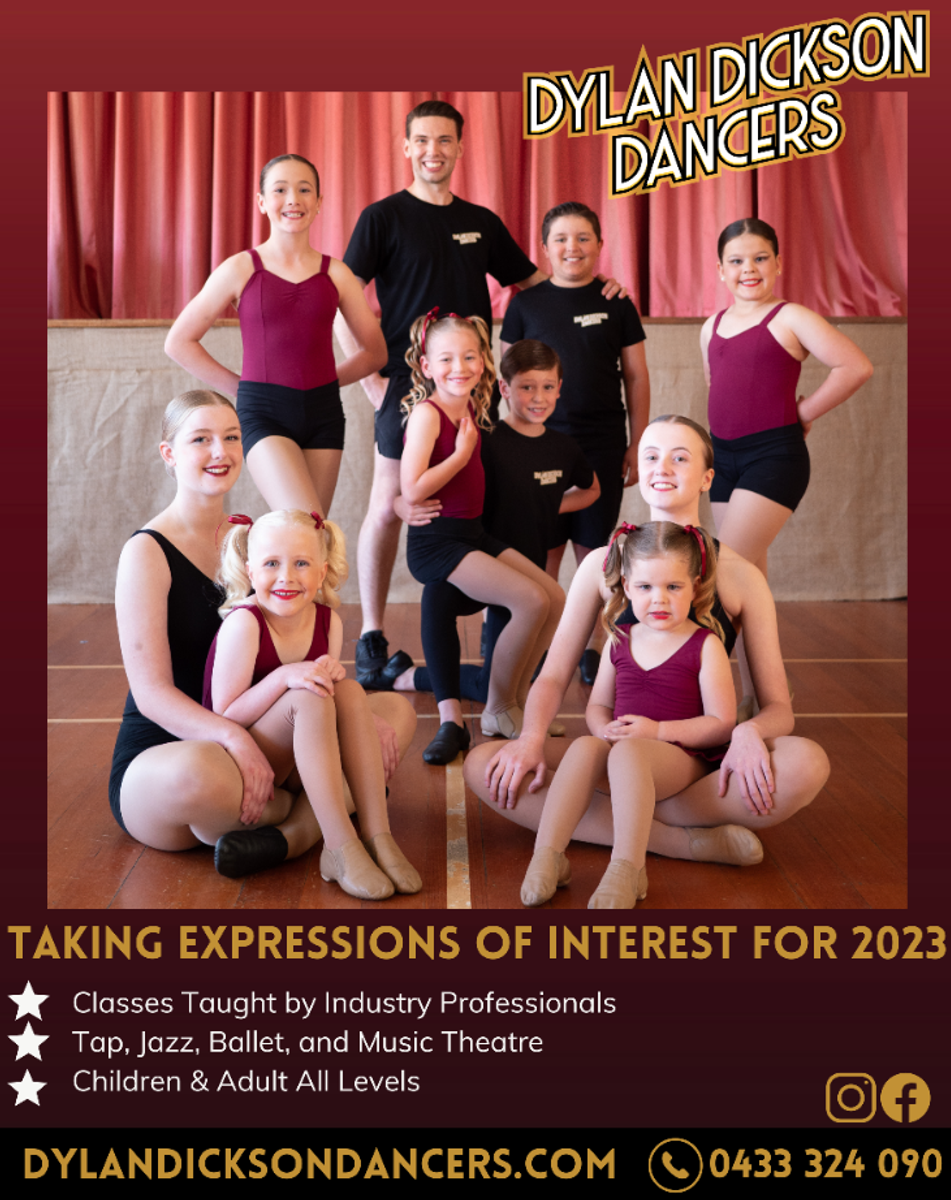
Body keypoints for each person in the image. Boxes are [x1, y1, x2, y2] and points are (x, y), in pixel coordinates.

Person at [464, 413, 831, 876]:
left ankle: (626, 818)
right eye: (651, 457)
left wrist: (747, 732)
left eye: (680, 458)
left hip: (696, 763)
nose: (663, 468)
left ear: (707, 478)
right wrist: (531, 740)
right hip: (619, 751)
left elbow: (778, 706)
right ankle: (676, 840)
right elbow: (553, 675)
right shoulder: (601, 564)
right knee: (484, 764)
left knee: (807, 763)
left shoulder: (741, 575)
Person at [338, 103, 624, 690]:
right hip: (406, 386)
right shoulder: (382, 217)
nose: (433, 150)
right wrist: (370, 376)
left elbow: (537, 284)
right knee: (390, 502)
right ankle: (371, 636)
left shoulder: (481, 222)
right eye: (422, 140)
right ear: (406, 147)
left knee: (486, 496)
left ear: (460, 148)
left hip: (474, 386)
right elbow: (343, 296)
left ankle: (498, 626)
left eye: (444, 140)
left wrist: (595, 287)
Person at [109, 389, 416, 880]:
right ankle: (318, 812)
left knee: (394, 713)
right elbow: (151, 695)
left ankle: (293, 831)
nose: (220, 451)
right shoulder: (146, 551)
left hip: (272, 733)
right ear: (169, 453)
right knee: (197, 774)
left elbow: (304, 644)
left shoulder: (260, 538)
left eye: (232, 437)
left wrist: (354, 717)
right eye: (201, 439)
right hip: (178, 749)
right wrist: (233, 739)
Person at [204, 510, 421, 900]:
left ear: (321, 573)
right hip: (248, 757)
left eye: (301, 564)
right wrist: (283, 677)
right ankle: (338, 844)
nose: (286, 577)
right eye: (272, 564)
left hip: (304, 757)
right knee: (308, 696)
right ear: (251, 571)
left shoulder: (328, 621)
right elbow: (224, 715)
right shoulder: (244, 623)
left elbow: (331, 702)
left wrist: (335, 682)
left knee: (349, 691)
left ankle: (378, 836)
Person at [520, 522, 735, 910]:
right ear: (626, 587)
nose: (659, 599)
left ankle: (628, 867)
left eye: (673, 587)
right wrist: (604, 729)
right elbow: (598, 706)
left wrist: (657, 731)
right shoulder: (619, 640)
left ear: (695, 587)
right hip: (623, 751)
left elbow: (721, 723)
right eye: (645, 587)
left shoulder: (705, 645)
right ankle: (548, 855)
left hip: (680, 757)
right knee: (586, 747)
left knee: (630, 753)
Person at [701, 217, 873, 698]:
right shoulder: (711, 327)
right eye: (737, 261)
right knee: (749, 585)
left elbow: (855, 366)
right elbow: (719, 388)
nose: (749, 269)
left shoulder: (790, 317)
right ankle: (758, 697)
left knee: (723, 574)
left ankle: (695, 690)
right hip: (725, 461)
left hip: (774, 457)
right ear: (720, 269)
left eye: (760, 258)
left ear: (778, 263)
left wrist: (803, 412)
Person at [165, 153, 385, 518]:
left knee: (314, 536)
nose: (293, 199)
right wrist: (241, 387)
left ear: (319, 202)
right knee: (301, 522)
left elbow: (375, 353)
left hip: (325, 414)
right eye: (280, 190)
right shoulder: (239, 268)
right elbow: (178, 342)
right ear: (262, 202)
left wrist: (326, 382)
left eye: (304, 190)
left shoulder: (338, 274)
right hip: (263, 413)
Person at [400, 312, 562, 765]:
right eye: (447, 359)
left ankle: (515, 701)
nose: (460, 367)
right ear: (427, 366)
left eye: (470, 356)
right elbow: (411, 489)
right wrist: (461, 455)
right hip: (439, 543)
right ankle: (497, 707)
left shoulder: (469, 403)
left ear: (484, 360)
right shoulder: (428, 415)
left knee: (554, 597)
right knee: (530, 601)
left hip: (472, 533)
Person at [400, 339, 599, 709]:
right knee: (455, 618)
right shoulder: (485, 437)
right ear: (505, 389)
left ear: (559, 388)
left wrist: (545, 504)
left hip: (520, 561)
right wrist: (401, 504)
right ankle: (413, 678)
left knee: (532, 629)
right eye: (527, 387)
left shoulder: (562, 447)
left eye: (547, 387)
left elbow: (592, 489)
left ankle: (502, 704)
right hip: (474, 556)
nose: (538, 397)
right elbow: (430, 483)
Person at [500, 201, 651, 683]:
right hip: (539, 445)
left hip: (601, 444)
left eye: (583, 237)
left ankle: (592, 650)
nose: (572, 247)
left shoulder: (616, 302)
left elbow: (636, 375)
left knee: (594, 555)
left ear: (600, 245)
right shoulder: (525, 305)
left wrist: (638, 442)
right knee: (541, 554)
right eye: (561, 239)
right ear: (544, 248)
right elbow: (508, 381)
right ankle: (538, 646)